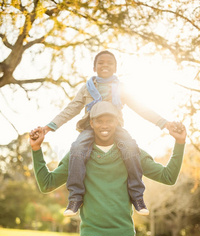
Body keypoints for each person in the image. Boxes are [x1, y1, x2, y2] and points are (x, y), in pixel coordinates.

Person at [30, 101, 186, 236]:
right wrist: (36, 149)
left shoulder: (132, 153)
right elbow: (47, 183)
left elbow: (168, 176)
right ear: (92, 124)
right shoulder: (78, 155)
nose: (105, 125)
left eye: (110, 120)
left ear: (118, 122)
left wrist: (179, 143)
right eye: (99, 120)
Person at [30, 50, 182, 217]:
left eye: (109, 63)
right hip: (89, 129)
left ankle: (137, 196)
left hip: (116, 130)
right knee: (77, 149)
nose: (105, 65)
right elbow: (71, 109)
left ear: (115, 68)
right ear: (94, 67)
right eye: (101, 63)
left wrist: (164, 123)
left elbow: (141, 108)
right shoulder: (87, 89)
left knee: (130, 148)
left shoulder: (121, 89)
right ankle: (75, 198)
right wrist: (48, 127)